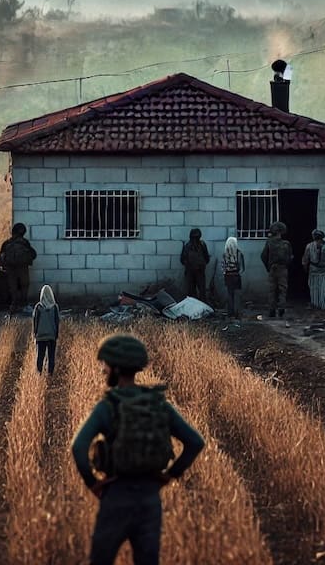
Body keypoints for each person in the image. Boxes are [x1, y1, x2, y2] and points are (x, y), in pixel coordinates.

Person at [71, 334, 205, 565]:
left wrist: (92, 483)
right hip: (149, 499)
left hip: (116, 496)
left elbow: (78, 447)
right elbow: (195, 442)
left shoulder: (108, 407)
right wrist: (169, 476)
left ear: (115, 367)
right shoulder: (158, 404)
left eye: (106, 365)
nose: (103, 370)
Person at [0, 223, 38, 311]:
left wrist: (3, 265)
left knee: (13, 286)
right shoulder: (25, 243)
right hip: (23, 267)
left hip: (10, 268)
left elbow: (0, 257)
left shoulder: (6, 243)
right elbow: (33, 255)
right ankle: (24, 304)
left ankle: (13, 304)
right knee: (24, 285)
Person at [260, 221, 292, 318]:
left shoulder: (269, 242)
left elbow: (263, 256)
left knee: (272, 290)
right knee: (283, 289)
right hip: (283, 269)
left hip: (272, 269)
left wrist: (268, 267)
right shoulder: (286, 244)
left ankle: (272, 310)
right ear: (281, 232)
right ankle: (281, 309)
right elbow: (290, 258)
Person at [33, 284, 60, 375]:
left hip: (40, 336)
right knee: (51, 356)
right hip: (51, 336)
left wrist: (35, 333)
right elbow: (57, 322)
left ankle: (39, 373)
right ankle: (50, 374)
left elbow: (35, 321)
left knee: (40, 356)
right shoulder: (55, 307)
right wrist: (56, 334)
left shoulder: (38, 307)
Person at [303, 229, 325, 310]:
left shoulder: (309, 246)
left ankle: (315, 305)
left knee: (314, 289)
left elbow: (305, 260)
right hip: (324, 270)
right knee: (323, 289)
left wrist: (305, 268)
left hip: (313, 271)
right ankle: (323, 305)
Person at [178, 229, 209, 300]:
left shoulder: (187, 246)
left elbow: (182, 260)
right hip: (197, 272)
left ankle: (194, 308)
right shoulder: (202, 244)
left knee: (192, 292)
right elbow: (207, 258)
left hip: (191, 272)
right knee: (200, 292)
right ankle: (202, 307)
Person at [220, 237, 244, 318]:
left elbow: (222, 267)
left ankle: (230, 313)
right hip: (236, 275)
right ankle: (237, 313)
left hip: (228, 276)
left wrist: (226, 272)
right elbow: (242, 268)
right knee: (237, 295)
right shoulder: (239, 253)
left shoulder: (224, 254)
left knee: (229, 294)